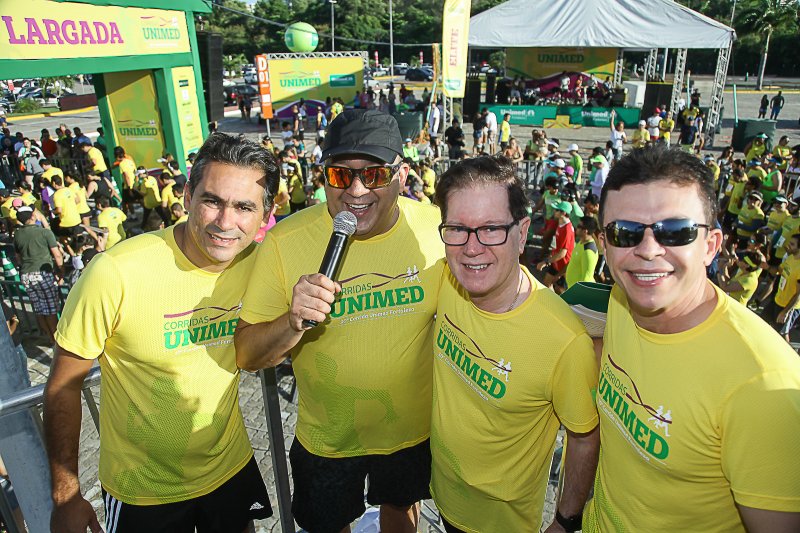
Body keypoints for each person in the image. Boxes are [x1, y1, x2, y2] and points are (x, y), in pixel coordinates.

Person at [43, 133, 279, 533]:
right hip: (143, 493)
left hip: (230, 469)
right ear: (187, 197)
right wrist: (66, 495)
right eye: (212, 201)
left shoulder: (261, 264)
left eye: (244, 207)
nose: (226, 222)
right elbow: (64, 385)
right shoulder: (114, 272)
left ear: (265, 214)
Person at [234, 109, 445, 533]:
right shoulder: (284, 241)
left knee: (401, 509)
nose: (357, 190)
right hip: (327, 440)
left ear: (402, 175)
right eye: (340, 175)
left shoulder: (436, 228)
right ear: (323, 175)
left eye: (375, 174)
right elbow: (246, 354)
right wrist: (291, 322)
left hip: (409, 433)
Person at [583, 146, 800, 532]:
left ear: (711, 246)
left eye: (676, 232)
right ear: (605, 244)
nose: (647, 251)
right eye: (625, 233)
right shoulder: (622, 301)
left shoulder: (763, 386)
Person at [430, 156, 599, 532]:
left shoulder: (564, 341)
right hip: (440, 494)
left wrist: (566, 521)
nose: (471, 248)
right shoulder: (444, 279)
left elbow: (584, 438)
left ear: (522, 232)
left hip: (499, 522)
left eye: (491, 229)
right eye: (457, 228)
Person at [13, 205, 63, 343]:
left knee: (39, 308)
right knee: (51, 309)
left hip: (26, 275)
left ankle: (49, 336)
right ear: (33, 216)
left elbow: (18, 258)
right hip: (43, 274)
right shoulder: (44, 233)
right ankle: (56, 341)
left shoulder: (17, 234)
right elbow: (57, 255)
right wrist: (61, 272)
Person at [536, 200, 575, 290]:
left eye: (557, 210)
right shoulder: (560, 223)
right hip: (556, 261)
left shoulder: (567, 229)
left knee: (560, 290)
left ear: (563, 213)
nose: (554, 211)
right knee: (547, 283)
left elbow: (563, 253)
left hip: (563, 265)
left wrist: (545, 262)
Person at [565, 216, 599, 288]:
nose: (576, 228)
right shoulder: (581, 242)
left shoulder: (588, 252)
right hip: (571, 288)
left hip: (577, 293)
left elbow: (586, 280)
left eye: (579, 226)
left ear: (585, 231)